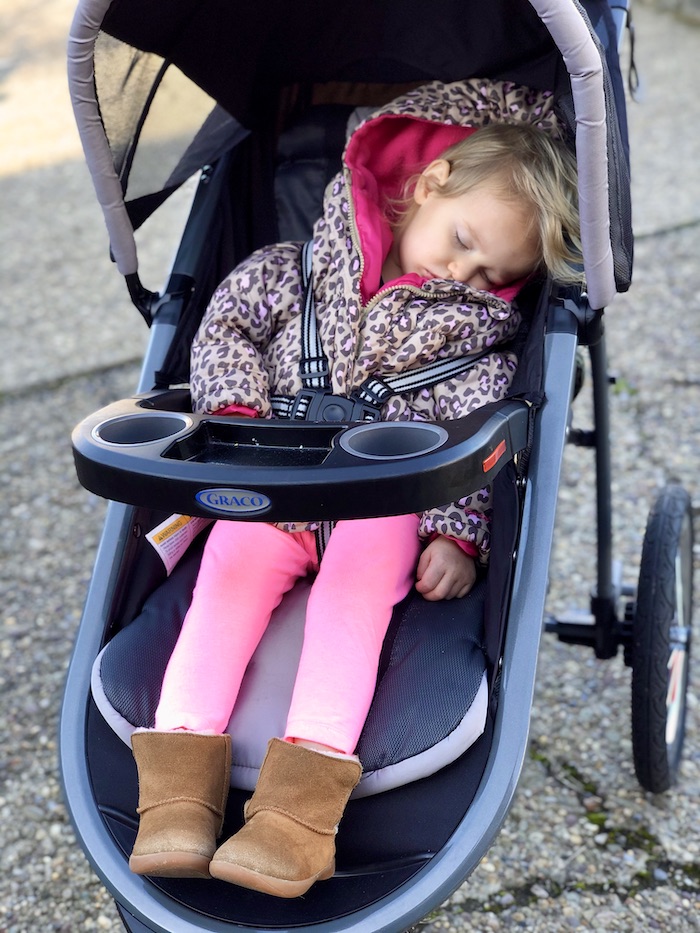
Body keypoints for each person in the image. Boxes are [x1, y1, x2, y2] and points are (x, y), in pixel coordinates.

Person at [127, 79, 582, 898]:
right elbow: (226, 326)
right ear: (430, 184)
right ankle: (176, 797)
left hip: (381, 502)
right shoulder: (296, 269)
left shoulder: (475, 343)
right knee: (228, 577)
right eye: (463, 242)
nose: (464, 274)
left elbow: (472, 435)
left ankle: (296, 819)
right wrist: (237, 418)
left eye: (493, 274)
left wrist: (456, 532)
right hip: (274, 482)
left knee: (353, 604)